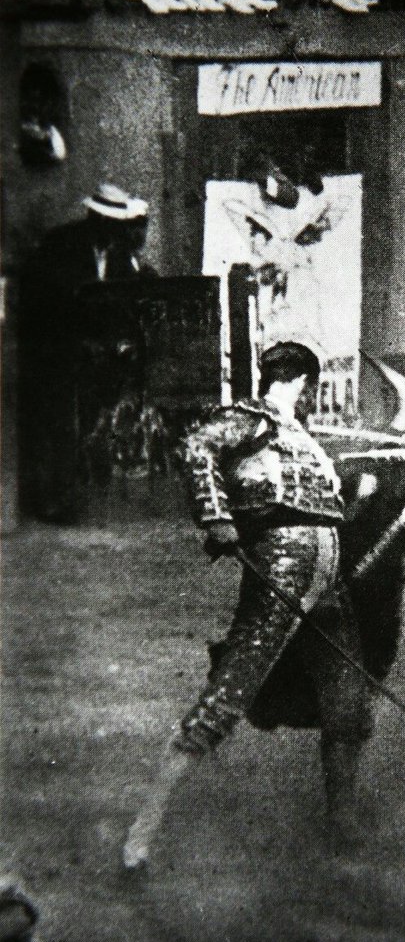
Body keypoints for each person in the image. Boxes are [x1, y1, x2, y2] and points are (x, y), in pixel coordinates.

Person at [122, 340, 369, 870]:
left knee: (348, 700)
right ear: (302, 382)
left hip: (326, 579)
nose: (312, 397)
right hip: (281, 568)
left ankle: (345, 829)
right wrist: (216, 517)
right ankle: (143, 828)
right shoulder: (252, 419)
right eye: (311, 387)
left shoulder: (303, 437)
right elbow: (196, 446)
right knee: (228, 694)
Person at [18, 184, 153, 522]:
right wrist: (78, 338)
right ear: (96, 219)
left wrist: (119, 338)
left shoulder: (117, 252)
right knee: (59, 423)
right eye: (112, 223)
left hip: (94, 352)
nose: (118, 231)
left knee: (89, 421)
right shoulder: (60, 244)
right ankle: (54, 501)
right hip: (56, 347)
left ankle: (75, 492)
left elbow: (120, 298)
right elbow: (44, 301)